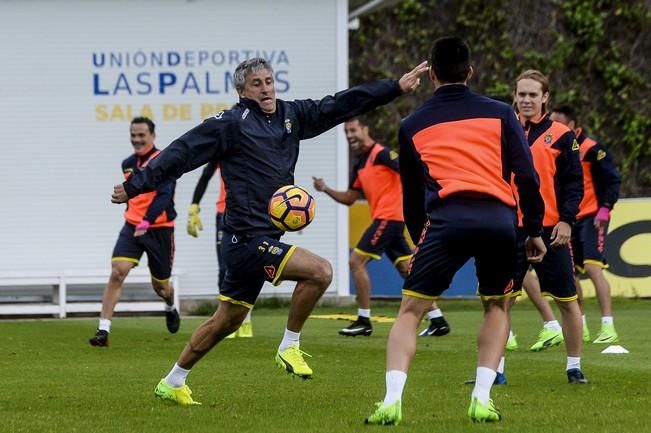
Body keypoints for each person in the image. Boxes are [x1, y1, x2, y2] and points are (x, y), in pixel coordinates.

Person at [111, 57, 428, 406]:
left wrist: (394, 88)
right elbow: (181, 153)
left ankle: (172, 381)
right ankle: (289, 346)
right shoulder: (230, 123)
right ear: (242, 90)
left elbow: (339, 104)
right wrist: (138, 184)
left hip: (263, 237)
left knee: (227, 320)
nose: (266, 88)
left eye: (269, 80)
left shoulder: (291, 116)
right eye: (257, 83)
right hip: (244, 239)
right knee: (321, 272)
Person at [364, 37, 545, 425]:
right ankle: (482, 397)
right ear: (470, 72)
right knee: (497, 305)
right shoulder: (501, 113)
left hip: (446, 222)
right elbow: (527, 177)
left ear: (431, 74)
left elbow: (413, 198)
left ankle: (391, 400)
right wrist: (532, 229)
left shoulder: (411, 124)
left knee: (410, 311)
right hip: (499, 221)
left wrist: (418, 240)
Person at [312, 116, 449, 337]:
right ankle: (438, 320)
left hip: (389, 218)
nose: (350, 135)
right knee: (408, 271)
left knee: (355, 261)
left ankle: (364, 320)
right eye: (346, 132)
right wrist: (325, 188)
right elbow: (349, 198)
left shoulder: (382, 153)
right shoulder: (360, 163)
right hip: (389, 220)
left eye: (353, 130)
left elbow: (410, 170)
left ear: (365, 128)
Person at [503, 70, 587, 386]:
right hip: (511, 229)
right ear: (515, 95)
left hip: (552, 230)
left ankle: (574, 367)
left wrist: (567, 220)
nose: (526, 100)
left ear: (545, 97)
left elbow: (574, 184)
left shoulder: (562, 134)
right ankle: (494, 369)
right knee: (501, 301)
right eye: (521, 94)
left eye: (532, 95)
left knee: (567, 300)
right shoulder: (502, 130)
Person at [89, 116, 180, 347]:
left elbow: (164, 196)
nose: (137, 139)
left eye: (141, 135)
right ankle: (103, 331)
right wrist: (135, 220)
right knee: (117, 272)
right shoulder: (127, 163)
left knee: (161, 286)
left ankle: (170, 304)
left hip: (159, 229)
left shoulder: (164, 161)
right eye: (133, 135)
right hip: (132, 226)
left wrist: (146, 222)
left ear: (152, 136)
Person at [550, 105, 622, 344]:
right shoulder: (554, 147)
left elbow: (612, 180)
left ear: (573, 126)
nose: (554, 127)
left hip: (592, 217)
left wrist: (605, 207)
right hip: (568, 219)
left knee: (593, 268)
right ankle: (581, 325)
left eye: (558, 123)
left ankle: (608, 326)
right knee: (571, 275)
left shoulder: (592, 149)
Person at [187, 162, 253, 338]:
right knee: (224, 268)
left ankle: (245, 320)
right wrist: (194, 206)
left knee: (247, 266)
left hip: (248, 214)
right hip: (223, 215)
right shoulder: (222, 148)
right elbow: (206, 174)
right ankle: (225, 320)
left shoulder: (253, 147)